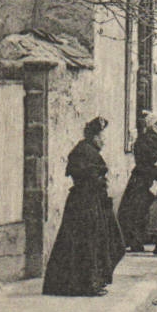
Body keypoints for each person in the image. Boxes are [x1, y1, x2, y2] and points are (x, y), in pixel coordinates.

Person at [43, 117, 127, 296]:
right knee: (86, 242)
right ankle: (86, 284)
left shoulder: (87, 150)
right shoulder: (83, 152)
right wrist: (98, 182)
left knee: (99, 242)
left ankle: (92, 281)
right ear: (94, 136)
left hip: (91, 202)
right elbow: (86, 177)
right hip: (85, 204)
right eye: (101, 136)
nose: (103, 140)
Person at [115, 111, 157, 252]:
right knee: (137, 209)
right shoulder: (149, 138)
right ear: (155, 124)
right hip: (143, 178)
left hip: (147, 177)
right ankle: (134, 241)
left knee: (140, 209)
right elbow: (149, 159)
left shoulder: (154, 137)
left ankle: (135, 240)